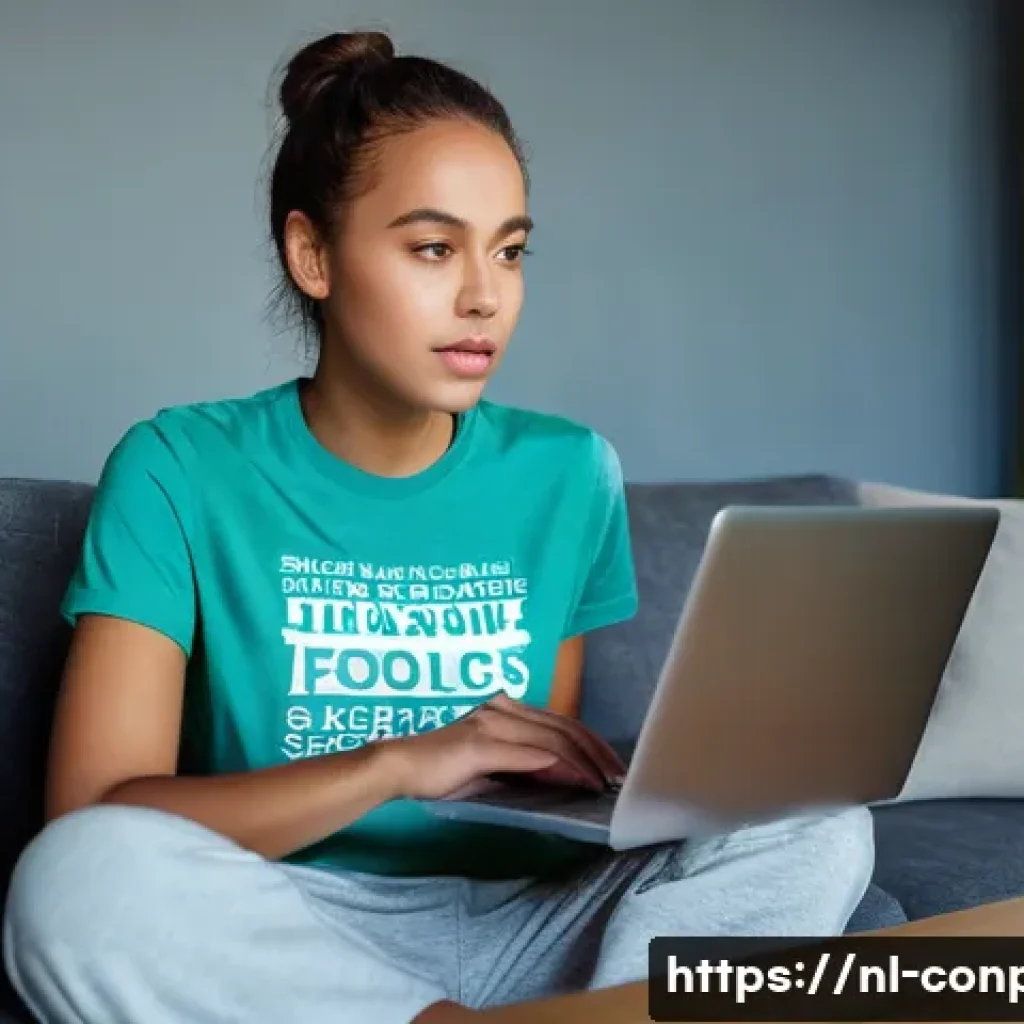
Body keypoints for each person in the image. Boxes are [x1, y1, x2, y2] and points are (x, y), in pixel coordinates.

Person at [1, 29, 874, 1024]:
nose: (483, 296)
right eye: (432, 248)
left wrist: (648, 777)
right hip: (296, 933)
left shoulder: (567, 470)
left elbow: (529, 787)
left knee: (817, 820)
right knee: (76, 874)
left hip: (538, 919)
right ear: (312, 254)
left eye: (508, 250)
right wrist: (402, 761)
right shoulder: (179, 466)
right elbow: (95, 810)